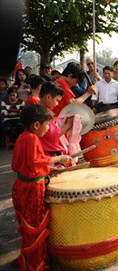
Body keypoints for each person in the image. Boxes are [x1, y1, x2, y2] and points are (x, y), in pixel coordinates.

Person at [11, 105, 72, 271]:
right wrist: (56, 159)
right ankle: (35, 265)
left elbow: (19, 164)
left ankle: (28, 258)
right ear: (36, 125)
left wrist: (48, 169)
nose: (49, 129)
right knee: (35, 227)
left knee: (28, 227)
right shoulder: (32, 138)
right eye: (48, 124)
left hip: (21, 185)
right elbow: (35, 162)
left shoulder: (23, 137)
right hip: (32, 189)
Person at [39, 82, 73, 156]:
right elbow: (54, 135)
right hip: (48, 154)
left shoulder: (40, 111)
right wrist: (69, 124)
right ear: (48, 97)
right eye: (57, 100)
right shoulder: (43, 114)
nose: (57, 104)